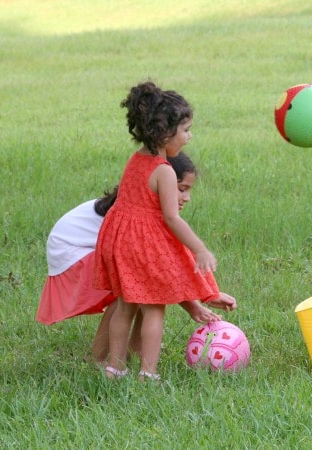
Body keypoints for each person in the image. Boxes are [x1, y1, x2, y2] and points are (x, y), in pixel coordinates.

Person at [36, 151, 235, 366]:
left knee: (143, 288)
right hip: (72, 251)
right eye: (181, 189)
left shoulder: (145, 209)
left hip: (81, 246)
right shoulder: (139, 216)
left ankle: (133, 351)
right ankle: (99, 357)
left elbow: (165, 268)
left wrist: (205, 296)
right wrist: (197, 301)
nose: (187, 198)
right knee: (132, 289)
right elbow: (162, 270)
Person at [94, 80, 232, 381]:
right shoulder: (164, 171)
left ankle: (114, 368)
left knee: (125, 307)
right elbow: (171, 218)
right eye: (185, 130)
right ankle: (148, 373)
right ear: (164, 132)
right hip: (142, 245)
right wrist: (200, 248)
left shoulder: (136, 160)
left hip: (120, 241)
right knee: (154, 310)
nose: (189, 136)